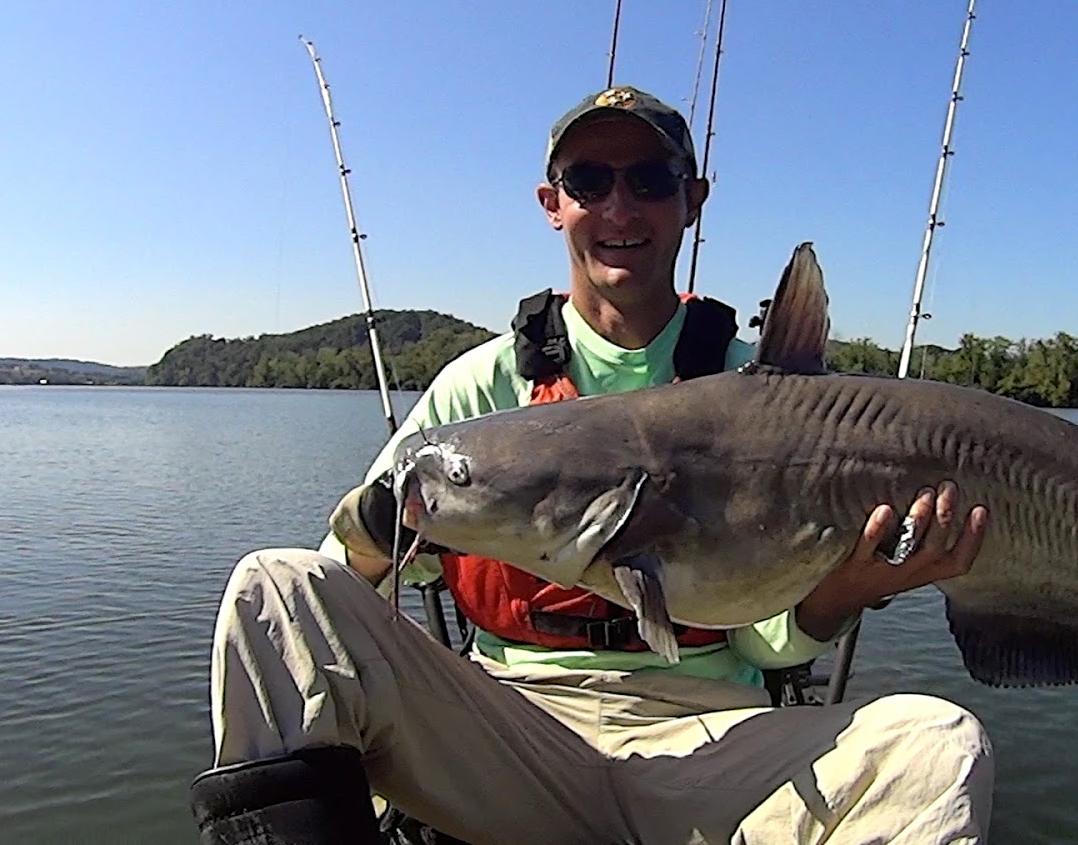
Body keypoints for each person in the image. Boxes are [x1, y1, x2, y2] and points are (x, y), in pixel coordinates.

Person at [189, 85, 995, 845]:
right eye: (588, 180)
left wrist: (850, 588)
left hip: (713, 739)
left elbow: (767, 650)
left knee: (937, 745)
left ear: (691, 201)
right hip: (510, 731)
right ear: (554, 204)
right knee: (275, 588)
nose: (618, 207)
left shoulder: (773, 398)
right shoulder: (478, 389)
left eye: (648, 180)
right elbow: (336, 604)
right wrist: (375, 533)